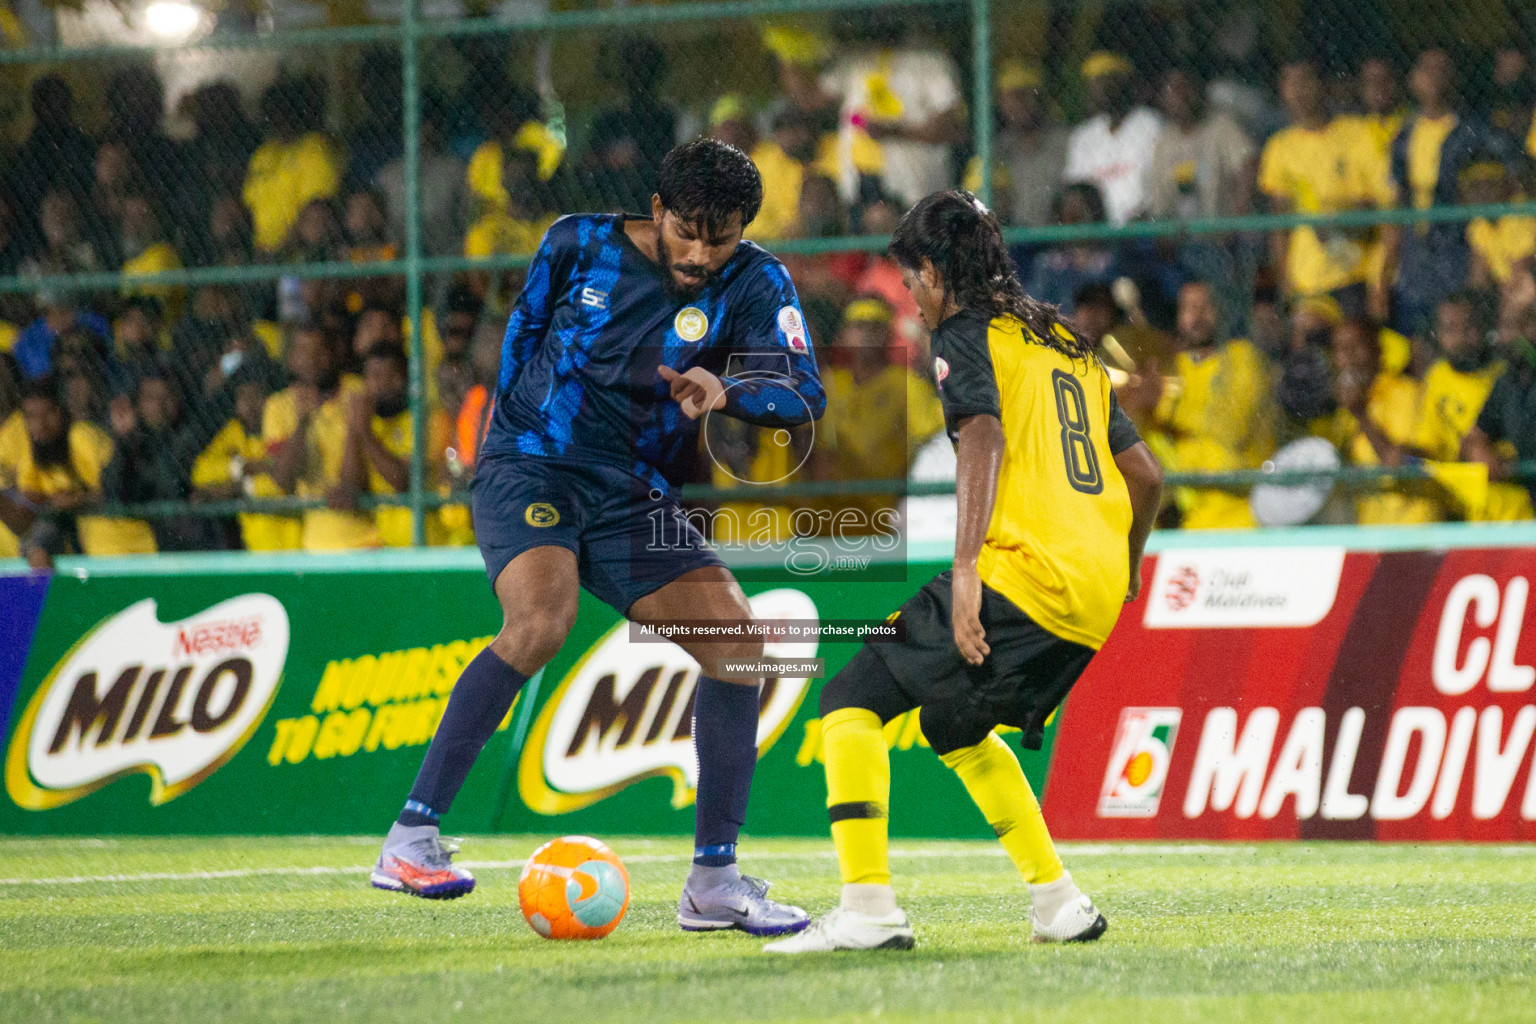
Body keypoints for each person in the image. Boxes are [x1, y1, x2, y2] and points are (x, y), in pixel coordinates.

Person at [370, 139, 825, 936]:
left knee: (741, 648)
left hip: (632, 494)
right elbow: (520, 343)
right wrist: (507, 449)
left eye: (721, 238)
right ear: (657, 212)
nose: (702, 252)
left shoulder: (756, 280)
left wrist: (731, 389)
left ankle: (713, 884)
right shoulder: (575, 241)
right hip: (534, 465)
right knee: (542, 621)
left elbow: (802, 394)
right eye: (689, 231)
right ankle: (410, 837)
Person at [765, 190, 1162, 953]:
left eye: (911, 277)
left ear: (937, 272)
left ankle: (867, 908)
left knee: (849, 700)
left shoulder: (962, 333)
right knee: (954, 724)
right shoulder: (1067, 340)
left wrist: (966, 567)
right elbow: (1145, 474)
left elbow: (980, 434)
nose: (909, 296)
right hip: (1093, 592)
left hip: (1025, 573)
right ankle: (1058, 902)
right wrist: (1130, 566)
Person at [1118, 280, 1275, 529]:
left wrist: (1162, 405)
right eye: (1189, 308)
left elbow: (1231, 426)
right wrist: (1136, 408)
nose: (1197, 315)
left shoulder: (1242, 357)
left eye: (1206, 306)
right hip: (1190, 523)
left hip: (1243, 516)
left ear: (1222, 312)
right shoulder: (1173, 368)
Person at [1258, 57, 1377, 315]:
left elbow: (1370, 211)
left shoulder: (1357, 134)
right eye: (1289, 82)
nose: (1297, 90)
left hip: (1355, 275)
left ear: (1322, 85)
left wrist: (1337, 224)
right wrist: (1285, 281)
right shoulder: (1279, 147)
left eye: (1305, 80)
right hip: (1307, 282)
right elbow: (1280, 226)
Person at [962, 60, 1068, 228]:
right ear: (1001, 102)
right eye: (1010, 97)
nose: (1019, 103)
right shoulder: (995, 149)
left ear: (1038, 97)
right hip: (1012, 237)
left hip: (1054, 235)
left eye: (1024, 94)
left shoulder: (1063, 140)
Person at [1063, 52, 1163, 226]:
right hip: (1096, 234)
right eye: (1093, 82)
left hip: (1142, 228)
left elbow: (1158, 188)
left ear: (1123, 82)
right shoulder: (1083, 136)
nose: (1098, 89)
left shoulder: (1150, 123)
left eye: (1106, 80)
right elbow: (1077, 192)